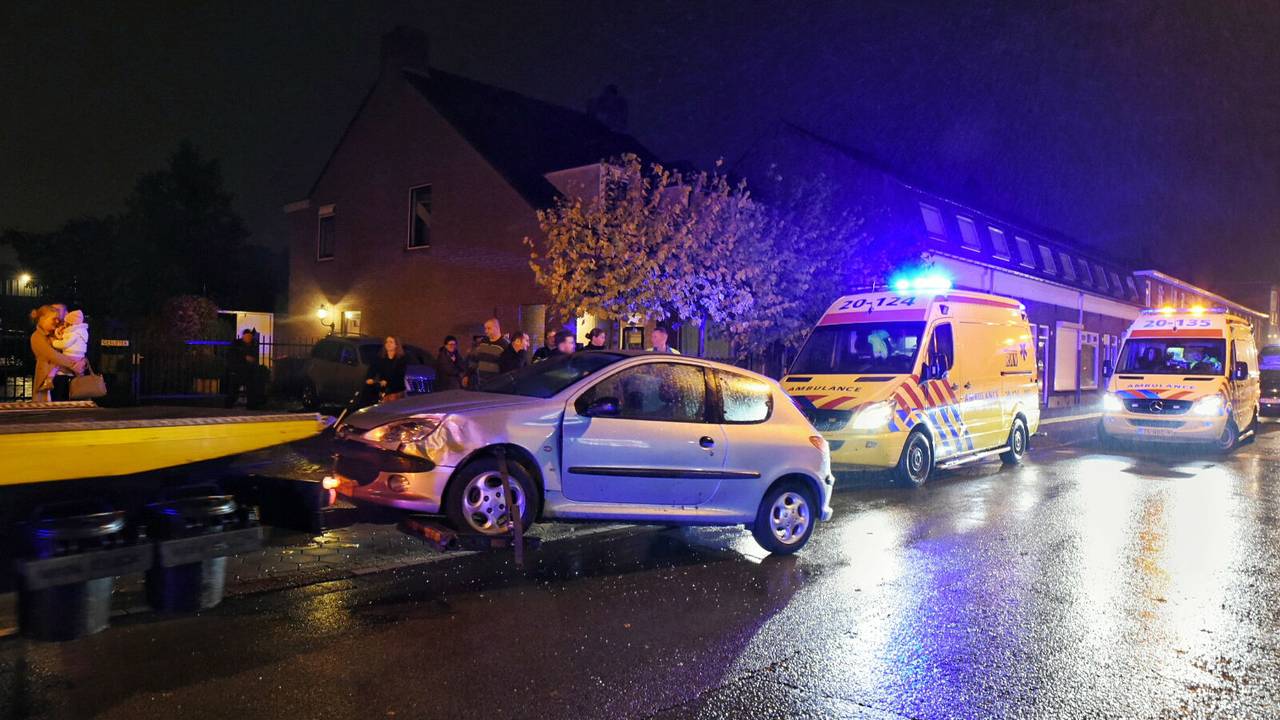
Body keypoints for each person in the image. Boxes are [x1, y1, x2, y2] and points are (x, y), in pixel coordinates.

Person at [29, 305, 85, 402]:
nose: (57, 321)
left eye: (58, 319)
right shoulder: (37, 337)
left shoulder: (55, 334)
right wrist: (74, 364)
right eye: (54, 319)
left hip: (66, 378)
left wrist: (82, 361)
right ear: (43, 319)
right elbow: (52, 355)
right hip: (49, 380)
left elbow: (75, 348)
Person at [50, 309, 90, 390]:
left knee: (56, 366)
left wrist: (54, 342)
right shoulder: (82, 332)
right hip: (80, 358)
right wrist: (59, 332)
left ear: (70, 323)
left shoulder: (74, 333)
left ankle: (48, 381)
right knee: (76, 373)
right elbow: (64, 337)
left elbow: (64, 343)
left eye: (66, 322)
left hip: (71, 356)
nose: (64, 323)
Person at [470, 318, 516, 389]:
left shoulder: (505, 344)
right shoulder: (483, 342)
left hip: (497, 383)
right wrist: (468, 374)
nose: (486, 331)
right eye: (485, 328)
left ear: (497, 328)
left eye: (489, 328)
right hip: (482, 382)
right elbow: (476, 359)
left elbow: (509, 365)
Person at [366, 335, 409, 402]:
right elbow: (373, 368)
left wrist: (387, 382)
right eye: (387, 342)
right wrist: (370, 377)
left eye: (391, 342)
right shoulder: (381, 358)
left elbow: (399, 375)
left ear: (396, 345)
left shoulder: (401, 359)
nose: (388, 344)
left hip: (396, 390)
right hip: (384, 389)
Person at [224, 329, 259, 408]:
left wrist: (253, 363)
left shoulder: (253, 345)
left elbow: (254, 357)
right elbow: (231, 355)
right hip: (237, 371)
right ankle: (228, 406)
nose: (249, 338)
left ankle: (251, 406)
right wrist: (244, 357)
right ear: (243, 336)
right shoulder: (236, 344)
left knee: (251, 390)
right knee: (233, 391)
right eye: (247, 336)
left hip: (248, 372)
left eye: (250, 336)